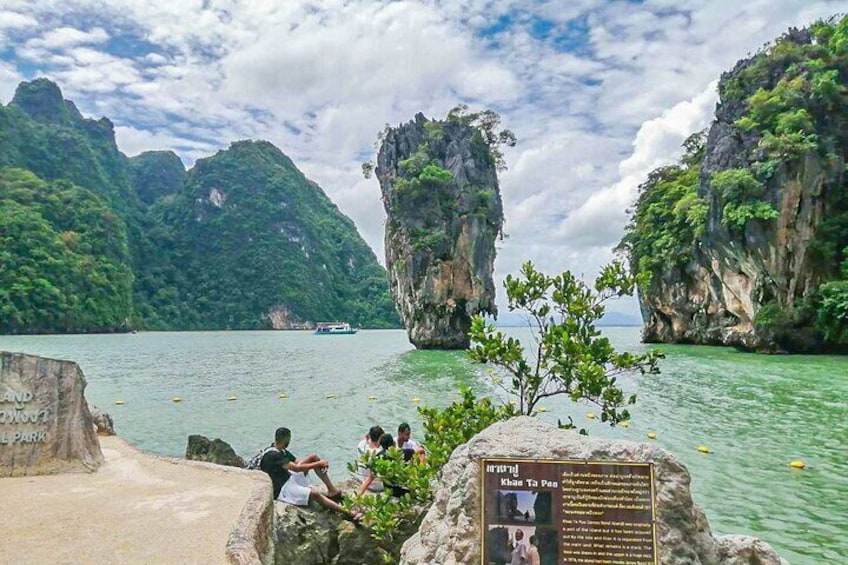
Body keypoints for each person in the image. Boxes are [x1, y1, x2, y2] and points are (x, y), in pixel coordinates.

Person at [260, 426, 361, 520]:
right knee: (315, 494)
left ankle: (332, 491)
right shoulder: (273, 455)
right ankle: (348, 513)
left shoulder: (281, 450)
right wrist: (319, 463)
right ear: (286, 439)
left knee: (313, 458)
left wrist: (317, 462)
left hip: (288, 477)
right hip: (281, 489)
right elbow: (296, 468)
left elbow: (297, 463)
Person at [357, 433, 410, 498]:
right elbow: (420, 451)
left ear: (381, 444)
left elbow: (369, 479)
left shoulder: (378, 457)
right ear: (393, 443)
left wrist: (358, 495)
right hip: (406, 490)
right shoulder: (403, 453)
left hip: (391, 492)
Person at [356, 425, 385, 492]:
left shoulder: (361, 446)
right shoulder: (379, 452)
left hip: (365, 482)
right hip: (378, 486)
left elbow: (365, 438)